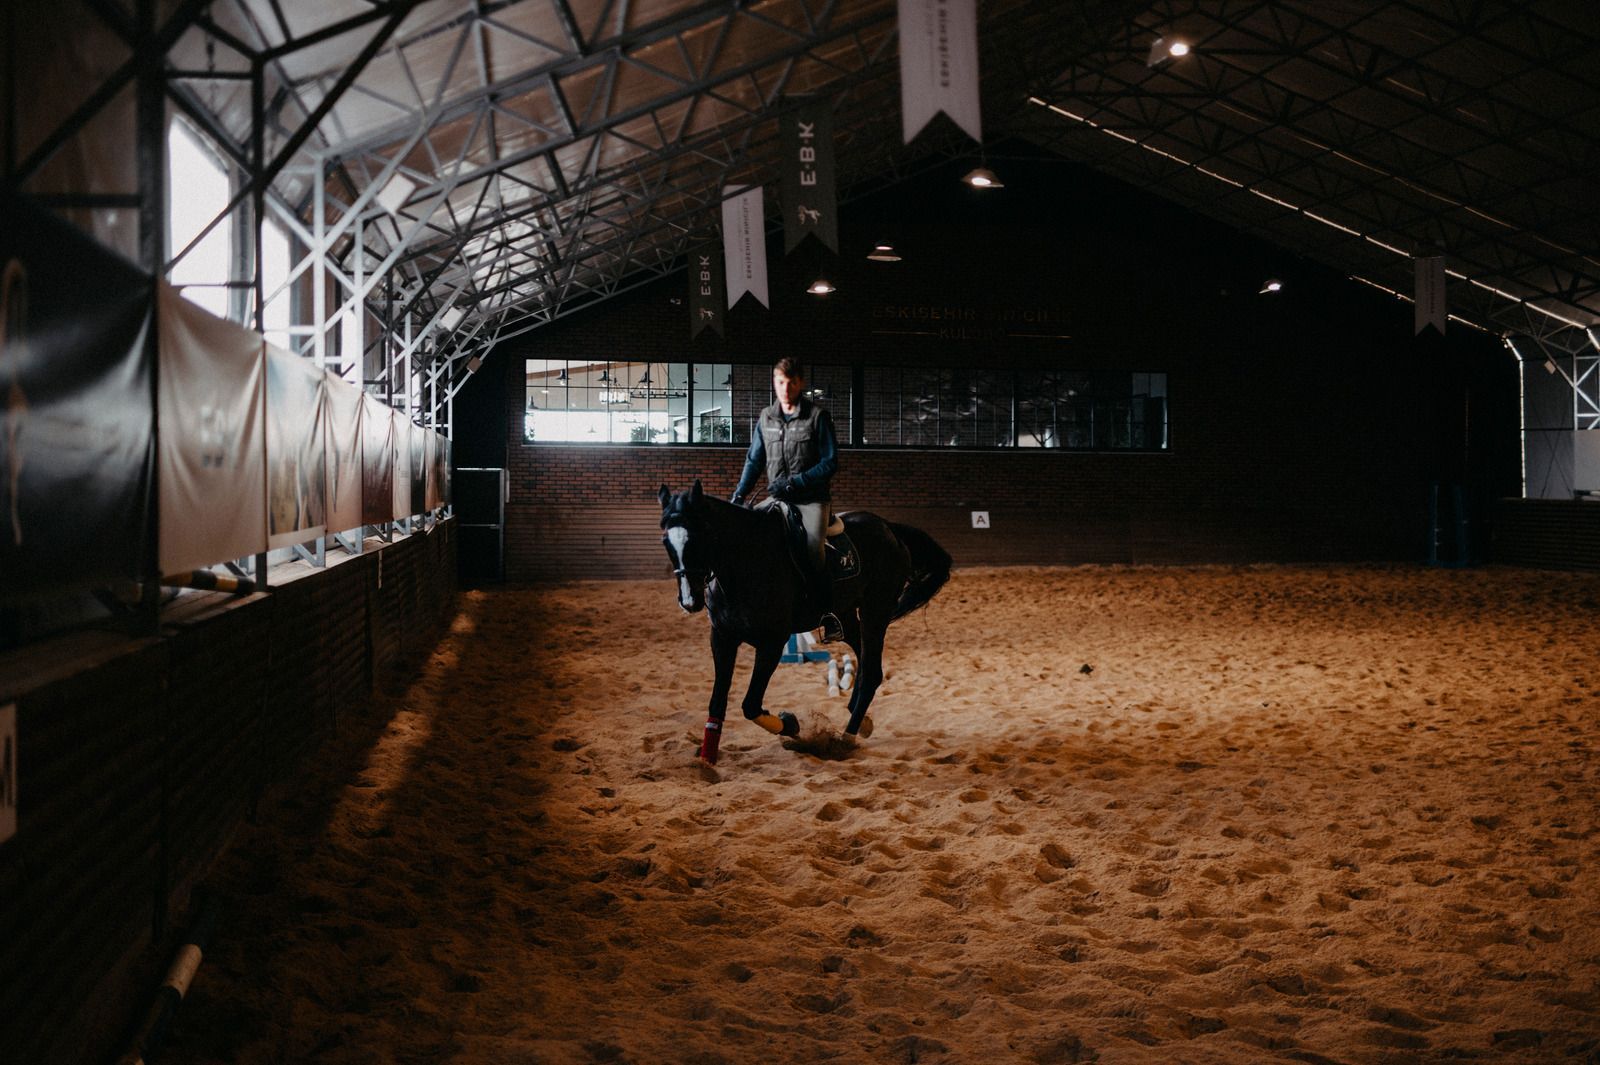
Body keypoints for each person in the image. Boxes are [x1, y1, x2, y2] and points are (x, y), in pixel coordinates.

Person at [731, 357, 842, 639]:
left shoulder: (818, 417)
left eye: (791, 382)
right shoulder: (766, 417)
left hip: (811, 500)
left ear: (800, 383)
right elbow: (754, 461)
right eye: (780, 381)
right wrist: (739, 495)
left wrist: (796, 483)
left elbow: (831, 463)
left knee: (814, 550)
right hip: (778, 499)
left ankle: (829, 614)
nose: (785, 387)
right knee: (749, 537)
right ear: (775, 382)